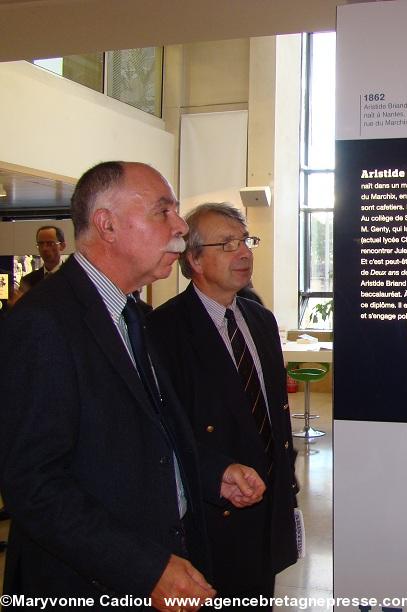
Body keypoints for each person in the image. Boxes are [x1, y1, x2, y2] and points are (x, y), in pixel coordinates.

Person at [0, 162, 267, 611]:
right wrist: (144, 567)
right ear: (106, 225)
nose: (181, 226)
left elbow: (150, 438)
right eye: (163, 211)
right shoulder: (41, 324)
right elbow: (33, 485)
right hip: (83, 583)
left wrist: (211, 473)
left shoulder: (136, 318)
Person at [148, 203, 299, 599]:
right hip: (213, 514)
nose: (245, 253)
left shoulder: (259, 320)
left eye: (246, 241)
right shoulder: (164, 331)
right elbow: (164, 432)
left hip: (267, 505)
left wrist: (288, 486)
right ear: (194, 258)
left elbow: (275, 417)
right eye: (227, 244)